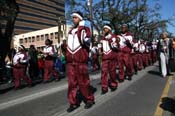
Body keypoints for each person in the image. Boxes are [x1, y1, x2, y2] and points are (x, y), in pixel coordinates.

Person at [66, 11, 95, 112]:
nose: (73, 19)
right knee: (71, 84)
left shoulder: (85, 29)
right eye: (73, 18)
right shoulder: (70, 31)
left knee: (83, 83)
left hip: (81, 62)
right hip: (71, 63)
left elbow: (86, 42)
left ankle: (89, 99)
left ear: (80, 19)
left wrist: (82, 29)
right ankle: (73, 103)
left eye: (75, 18)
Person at [99, 24, 119, 94]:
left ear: (109, 29)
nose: (105, 30)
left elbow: (116, 47)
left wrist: (111, 41)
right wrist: (100, 50)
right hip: (104, 58)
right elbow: (100, 47)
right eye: (104, 29)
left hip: (111, 58)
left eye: (106, 28)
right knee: (103, 73)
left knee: (112, 72)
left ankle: (113, 84)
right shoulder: (103, 38)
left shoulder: (113, 37)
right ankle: (104, 87)